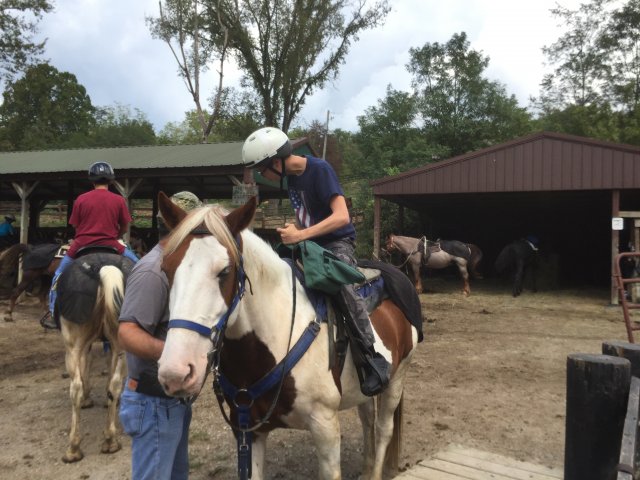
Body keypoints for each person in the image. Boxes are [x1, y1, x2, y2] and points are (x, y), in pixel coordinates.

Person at [242, 126, 390, 396]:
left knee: (337, 283)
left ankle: (371, 356)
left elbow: (342, 216)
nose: (263, 176)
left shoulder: (320, 170)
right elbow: (305, 218)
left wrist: (302, 234)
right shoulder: (292, 181)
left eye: (263, 170)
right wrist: (294, 230)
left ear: (276, 162)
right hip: (310, 244)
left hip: (337, 243)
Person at [118, 191, 203, 480]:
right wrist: (172, 353)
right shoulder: (152, 271)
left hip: (170, 400)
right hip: (152, 401)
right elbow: (127, 333)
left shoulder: (179, 268)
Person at [43, 161, 139, 329]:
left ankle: (52, 313)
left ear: (92, 180)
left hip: (81, 244)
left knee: (58, 275)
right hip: (111, 244)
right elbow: (124, 227)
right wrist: (114, 236)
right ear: (110, 180)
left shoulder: (81, 199)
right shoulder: (118, 200)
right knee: (141, 268)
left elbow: (75, 225)